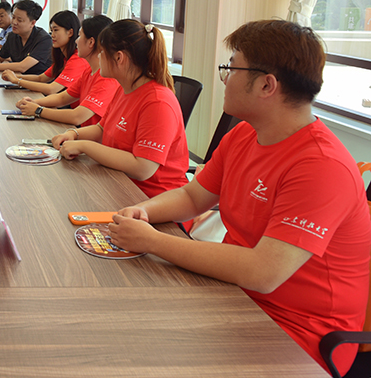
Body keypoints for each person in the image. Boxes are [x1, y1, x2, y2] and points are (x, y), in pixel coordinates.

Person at [108, 20, 371, 376]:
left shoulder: (322, 166)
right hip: (233, 295)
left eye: (231, 68)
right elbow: (193, 197)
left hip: (295, 336)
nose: (225, 78)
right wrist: (143, 211)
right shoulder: (244, 134)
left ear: (266, 85)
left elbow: (264, 272)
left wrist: (152, 241)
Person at [51, 19, 188, 198]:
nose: (98, 57)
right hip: (116, 183)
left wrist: (84, 146)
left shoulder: (158, 102)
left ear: (119, 58)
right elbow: (102, 129)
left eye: (102, 52)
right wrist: (74, 134)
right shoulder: (124, 88)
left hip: (151, 199)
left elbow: (142, 168)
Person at [16, 14, 120, 127]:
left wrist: (38, 110)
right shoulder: (89, 71)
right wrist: (32, 102)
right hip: (81, 131)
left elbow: (77, 117)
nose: (76, 41)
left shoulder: (106, 79)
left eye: (79, 36)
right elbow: (62, 98)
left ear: (91, 42)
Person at [1, 10, 88, 96]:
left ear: (70, 32)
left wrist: (17, 81)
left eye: (56, 30)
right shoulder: (63, 57)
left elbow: (52, 89)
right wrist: (14, 76)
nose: (52, 35)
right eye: (52, 31)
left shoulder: (77, 60)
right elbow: (41, 78)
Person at [0, 0, 52, 75]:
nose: (14, 22)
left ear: (32, 23)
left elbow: (22, 67)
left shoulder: (44, 39)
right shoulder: (12, 36)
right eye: (13, 17)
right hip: (17, 79)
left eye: (19, 20)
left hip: (38, 82)